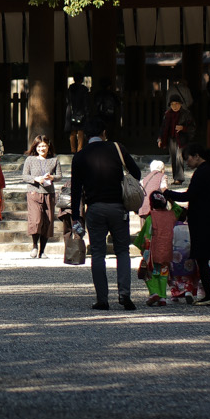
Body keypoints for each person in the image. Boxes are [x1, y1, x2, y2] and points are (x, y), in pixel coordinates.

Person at [72, 123, 143, 312]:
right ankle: (124, 294)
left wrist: (75, 217)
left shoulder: (80, 156)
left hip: (94, 208)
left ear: (85, 136)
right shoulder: (116, 148)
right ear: (104, 133)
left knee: (97, 253)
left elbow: (76, 189)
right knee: (122, 251)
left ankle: (102, 299)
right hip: (118, 207)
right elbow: (136, 173)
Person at [166, 142, 210, 303]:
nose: (187, 162)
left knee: (202, 259)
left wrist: (167, 193)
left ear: (196, 156)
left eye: (188, 158)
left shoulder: (201, 173)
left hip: (202, 223)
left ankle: (209, 295)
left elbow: (189, 196)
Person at [23, 135, 60, 259]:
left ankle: (42, 250)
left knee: (47, 221)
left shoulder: (54, 160)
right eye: (39, 146)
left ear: (48, 146)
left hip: (49, 193)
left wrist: (52, 177)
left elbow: (60, 175)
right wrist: (35, 179)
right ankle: (34, 246)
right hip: (34, 192)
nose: (42, 148)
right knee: (36, 219)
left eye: (44, 146)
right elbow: (24, 176)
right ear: (35, 147)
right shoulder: (30, 160)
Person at [63, 79, 90, 152]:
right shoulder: (84, 89)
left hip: (71, 112)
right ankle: (79, 149)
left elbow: (67, 100)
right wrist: (87, 113)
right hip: (81, 112)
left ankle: (73, 149)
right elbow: (86, 102)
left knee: (72, 132)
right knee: (81, 131)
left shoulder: (70, 88)